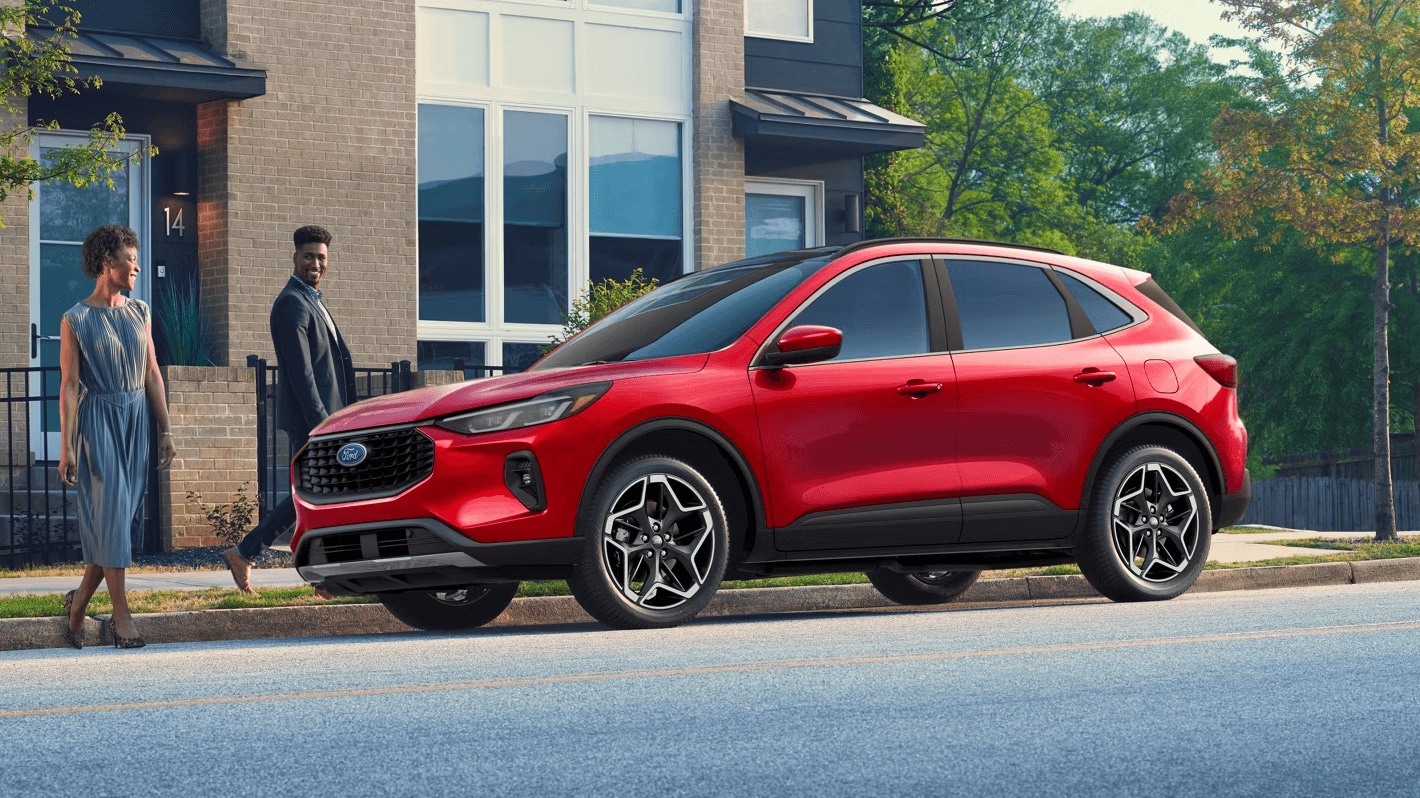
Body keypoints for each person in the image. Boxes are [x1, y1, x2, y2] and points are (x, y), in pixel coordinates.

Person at [59, 225, 177, 650]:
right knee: (111, 517)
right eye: (130, 258)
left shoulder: (139, 311)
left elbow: (151, 373)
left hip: (136, 421)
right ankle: (120, 616)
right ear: (108, 262)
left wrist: (165, 429)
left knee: (118, 524)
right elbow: (70, 385)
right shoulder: (75, 318)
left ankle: (77, 607)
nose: (137, 266)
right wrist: (67, 445)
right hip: (98, 424)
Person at [224, 225, 356, 593]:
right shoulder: (291, 304)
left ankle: (253, 556)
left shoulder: (313, 300)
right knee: (313, 497)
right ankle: (312, 575)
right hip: (311, 421)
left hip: (330, 418)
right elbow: (302, 375)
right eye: (309, 256)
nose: (316, 263)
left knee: (316, 497)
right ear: (295, 257)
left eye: (322, 257)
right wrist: (321, 425)